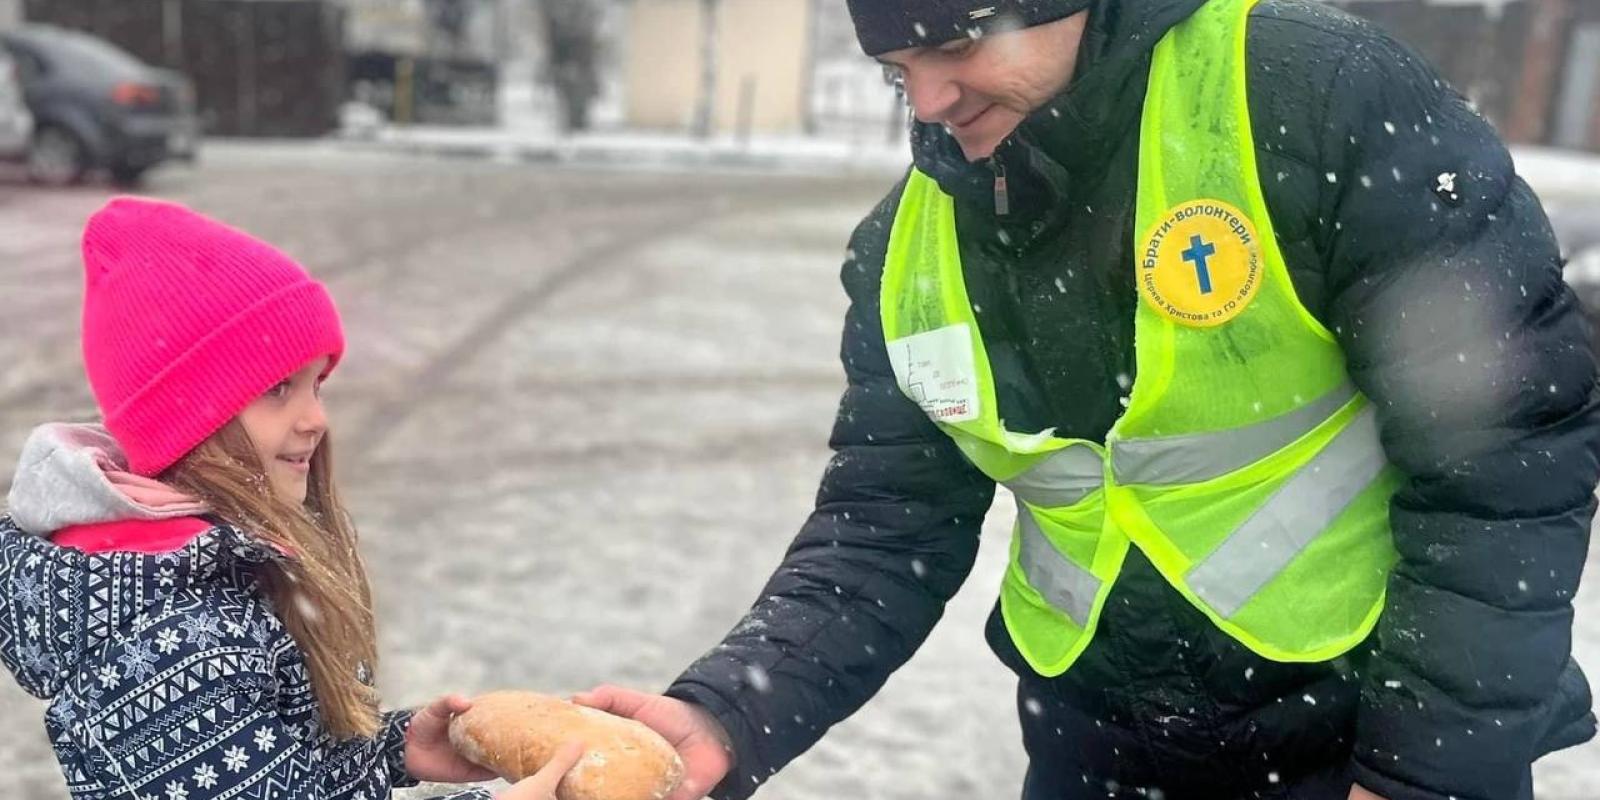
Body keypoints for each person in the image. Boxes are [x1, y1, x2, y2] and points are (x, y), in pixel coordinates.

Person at [575, 0, 1600, 798]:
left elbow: (1506, 451)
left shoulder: (1311, 96)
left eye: (961, 40)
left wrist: (1422, 771)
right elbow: (881, 528)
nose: (929, 99)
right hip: (1097, 748)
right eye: (897, 70)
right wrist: (722, 715)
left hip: (1364, 736)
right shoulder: (907, 251)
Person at [0, 197, 583, 800]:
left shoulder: (209, 566)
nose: (316, 420)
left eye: (317, 384)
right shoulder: (170, 642)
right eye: (279, 388)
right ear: (188, 414)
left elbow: (271, 777)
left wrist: (389, 752)